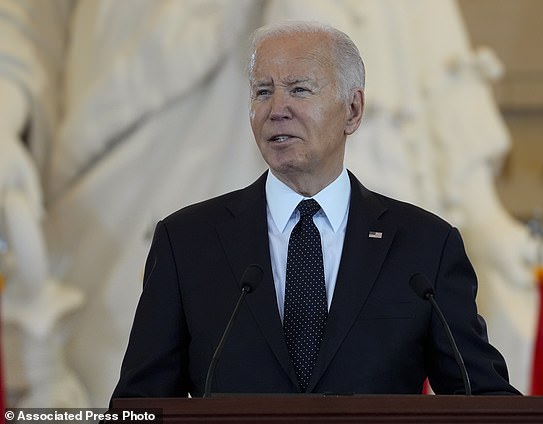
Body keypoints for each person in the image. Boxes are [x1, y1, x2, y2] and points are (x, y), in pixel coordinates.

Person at [110, 21, 519, 398]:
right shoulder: (187, 242)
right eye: (263, 91)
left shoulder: (425, 245)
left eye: (300, 89)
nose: (277, 109)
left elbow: (481, 397)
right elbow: (138, 405)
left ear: (353, 110)